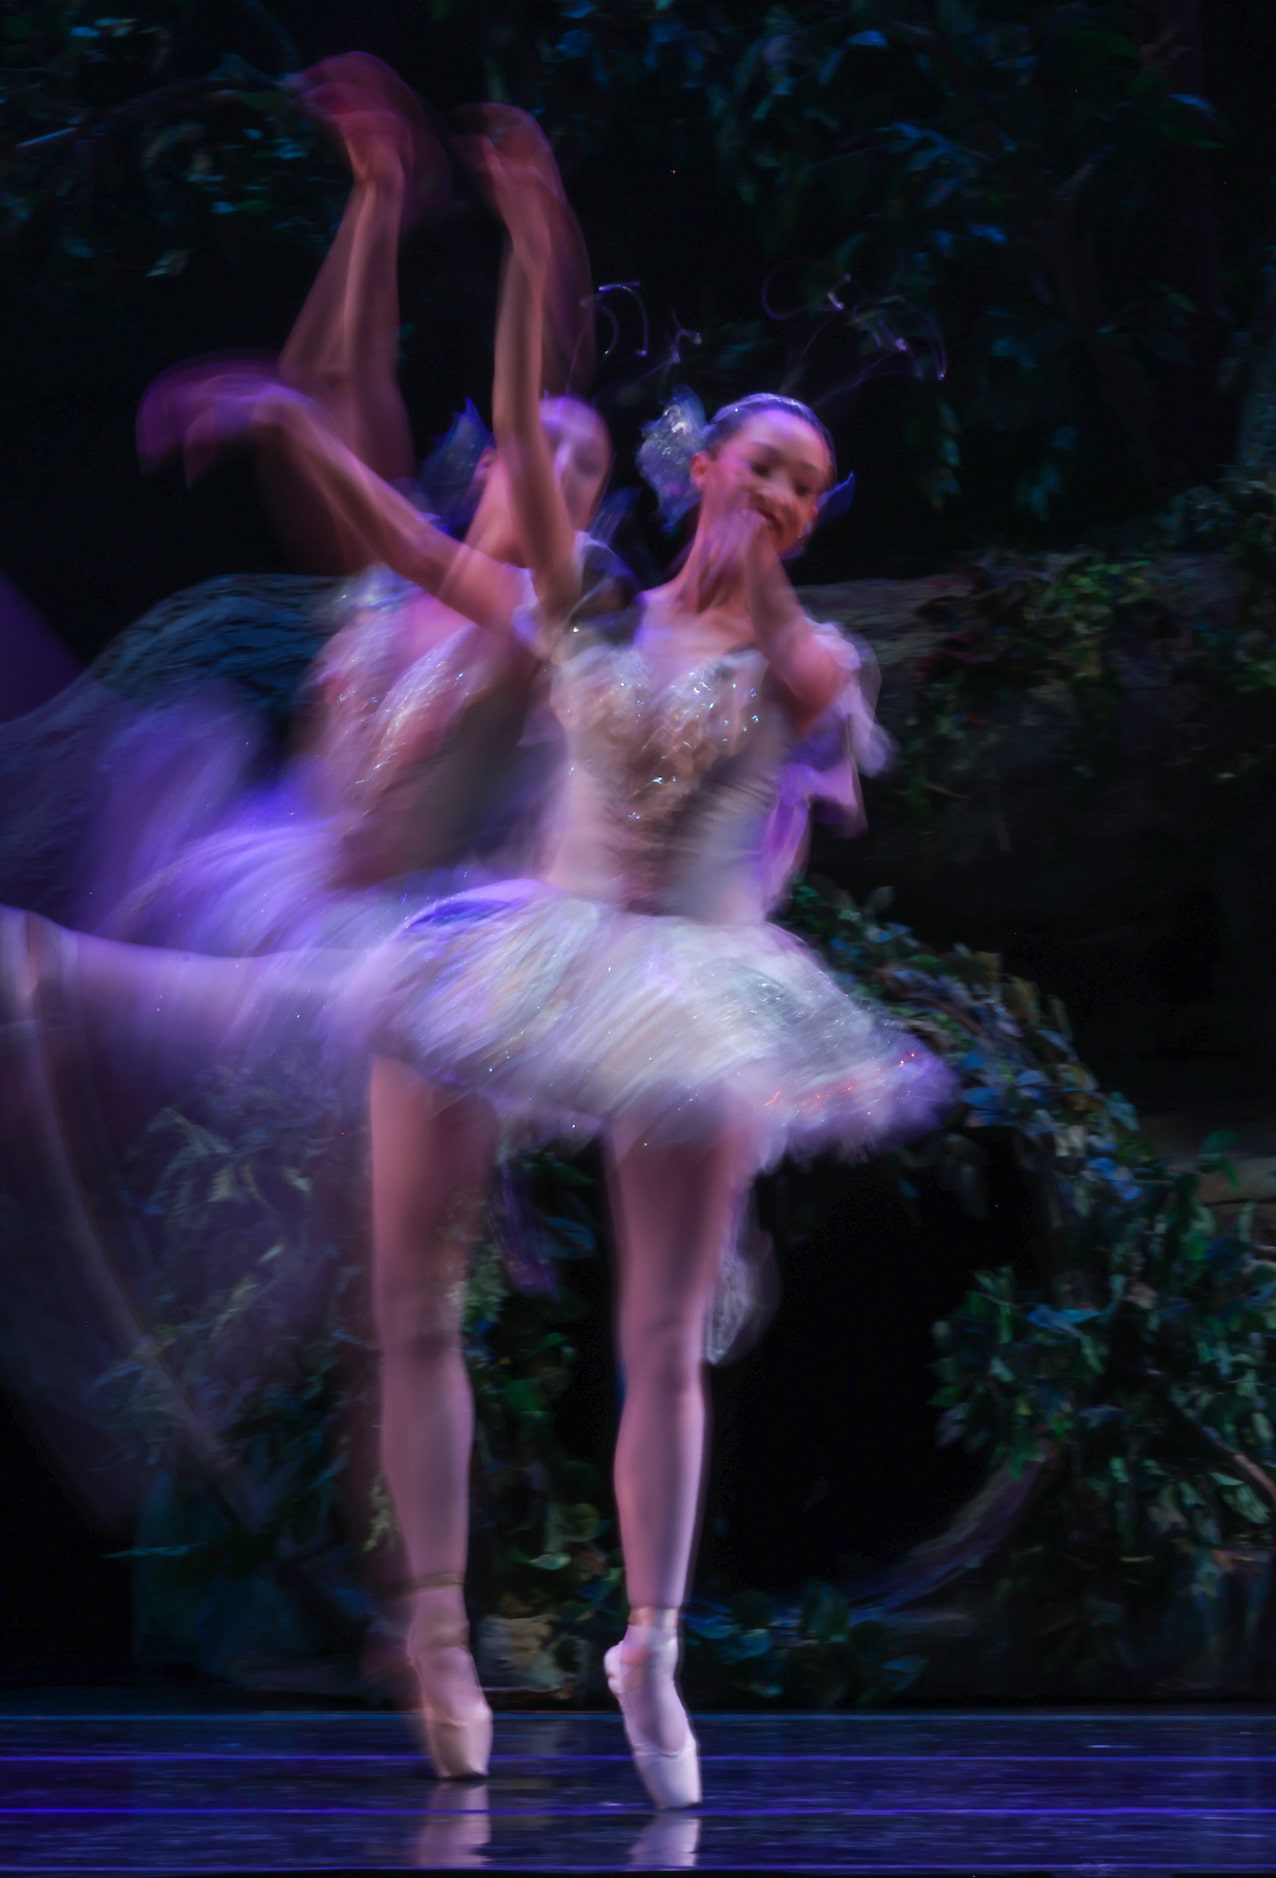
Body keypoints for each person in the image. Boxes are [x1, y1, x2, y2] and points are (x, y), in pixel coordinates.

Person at [0, 100, 616, 1786]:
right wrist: (374, 200)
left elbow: (387, 431)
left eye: (575, 467)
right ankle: (391, 1604)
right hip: (272, 901)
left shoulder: (522, 613)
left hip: (363, 980)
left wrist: (543, 240)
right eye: (525, 454)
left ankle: (409, 1609)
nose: (531, 465)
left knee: (381, 1311)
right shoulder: (407, 591)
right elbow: (345, 400)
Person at [349, 114, 949, 1810]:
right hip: (536, 951)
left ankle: (653, 1646)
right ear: (699, 470)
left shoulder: (809, 651)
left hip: (696, 978)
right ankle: (445, 1625)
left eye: (797, 485)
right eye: (747, 463)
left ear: (811, 519)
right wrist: (539, 248)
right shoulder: (593, 605)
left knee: (667, 1330)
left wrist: (760, 598)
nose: (763, 493)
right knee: (419, 1292)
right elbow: (531, 452)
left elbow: (818, 696)